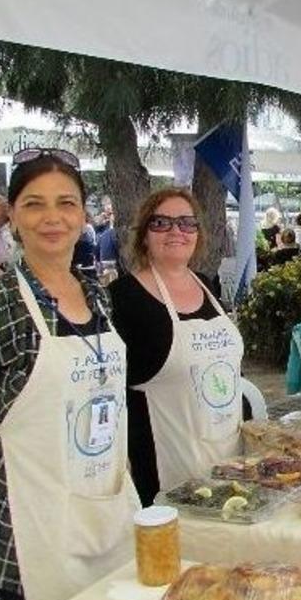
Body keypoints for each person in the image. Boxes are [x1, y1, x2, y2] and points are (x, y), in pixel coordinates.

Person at [0, 148, 139, 600]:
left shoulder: (97, 296)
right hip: (28, 528)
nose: (52, 218)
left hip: (104, 506)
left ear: (83, 216)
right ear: (14, 218)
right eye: (34, 204)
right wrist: (8, 490)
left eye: (66, 203)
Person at [108, 187, 244, 504]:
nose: (176, 231)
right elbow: (113, 390)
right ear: (144, 235)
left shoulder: (205, 283)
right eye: (161, 223)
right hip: (166, 466)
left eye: (186, 223)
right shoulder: (123, 296)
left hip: (229, 455)